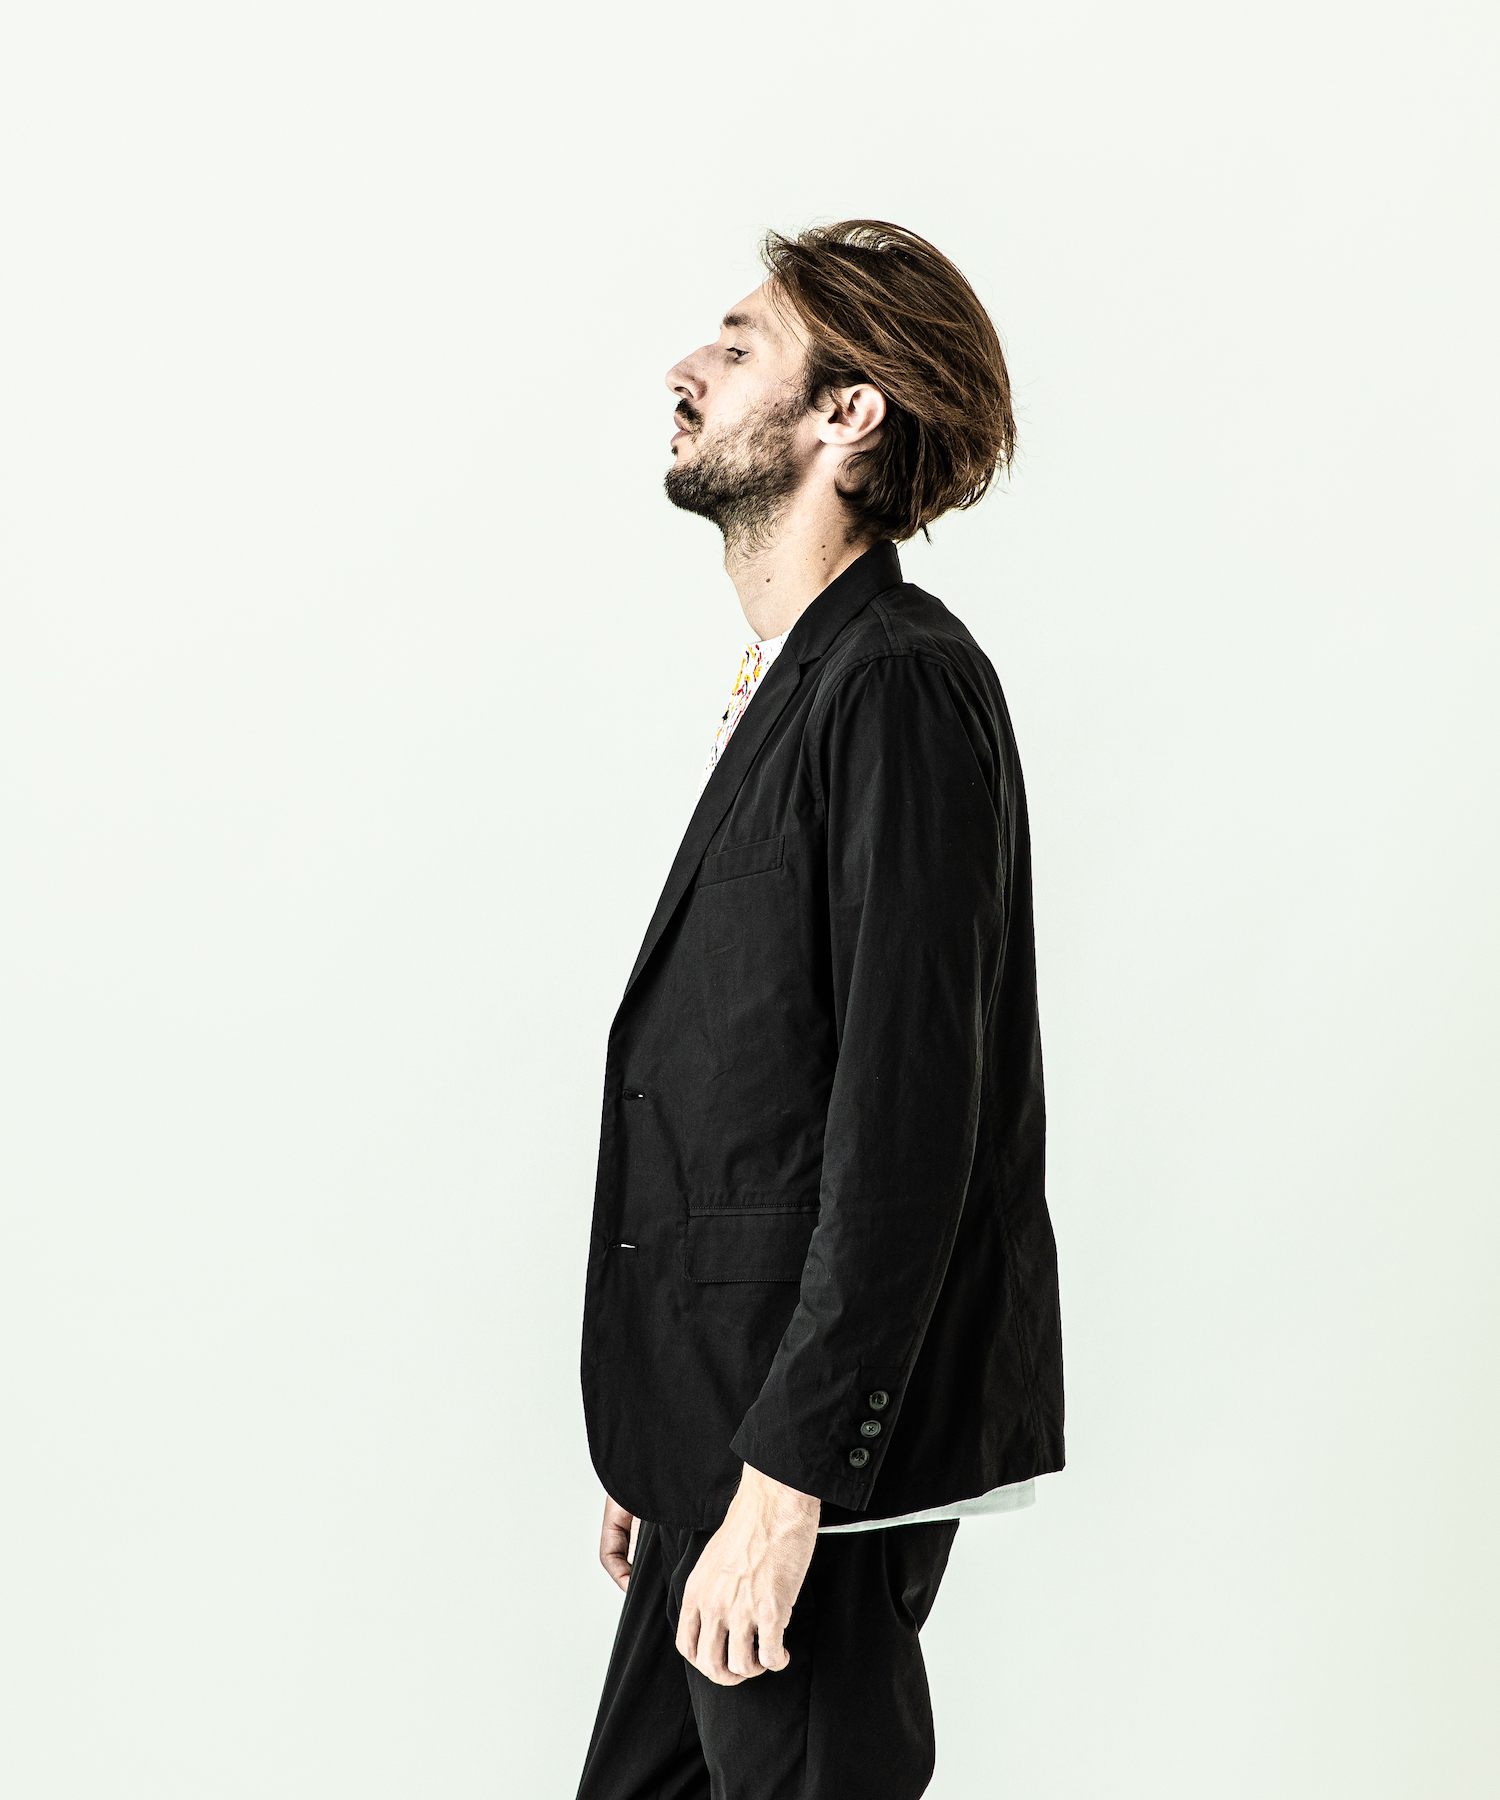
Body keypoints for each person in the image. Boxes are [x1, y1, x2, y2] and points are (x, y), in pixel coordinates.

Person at [576, 220, 1065, 1800]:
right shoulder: (806, 678)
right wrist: (671, 1430)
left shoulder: (895, 683)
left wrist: (788, 1486)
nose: (686, 369)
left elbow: (906, 1124)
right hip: (720, 1436)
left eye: (737, 347)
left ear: (846, 415)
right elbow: (761, 1086)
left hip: (799, 1458)